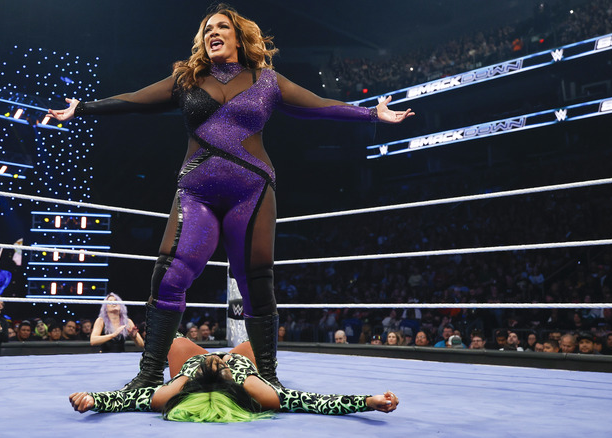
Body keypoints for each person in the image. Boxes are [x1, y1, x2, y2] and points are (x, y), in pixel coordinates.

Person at [49, 4, 413, 390]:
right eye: (207, 30)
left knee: (257, 282)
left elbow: (318, 106)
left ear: (238, 37)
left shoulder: (267, 81)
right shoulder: (186, 80)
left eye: (221, 27)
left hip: (252, 192)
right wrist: (83, 108)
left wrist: (372, 115)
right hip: (196, 193)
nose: (212, 33)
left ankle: (269, 377)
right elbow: (136, 100)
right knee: (168, 276)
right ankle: (149, 373)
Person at [68, 337, 398, 421]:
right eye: (221, 368)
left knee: (173, 338)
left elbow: (124, 400)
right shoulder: (259, 393)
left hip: (188, 361)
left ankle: (155, 343)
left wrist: (93, 399)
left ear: (193, 380)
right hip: (247, 364)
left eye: (208, 366)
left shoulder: (172, 391)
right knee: (260, 341)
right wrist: (368, 402)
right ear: (231, 380)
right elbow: (317, 402)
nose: (217, 361)